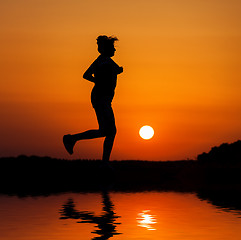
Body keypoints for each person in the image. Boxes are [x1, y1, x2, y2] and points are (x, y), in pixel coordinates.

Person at [63, 35, 123, 163]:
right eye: (113, 47)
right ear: (106, 49)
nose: (115, 50)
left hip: (100, 98)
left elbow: (87, 75)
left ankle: (72, 139)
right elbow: (108, 71)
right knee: (111, 131)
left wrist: (102, 79)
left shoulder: (101, 60)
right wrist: (102, 80)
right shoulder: (105, 61)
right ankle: (105, 164)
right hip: (102, 99)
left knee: (104, 131)